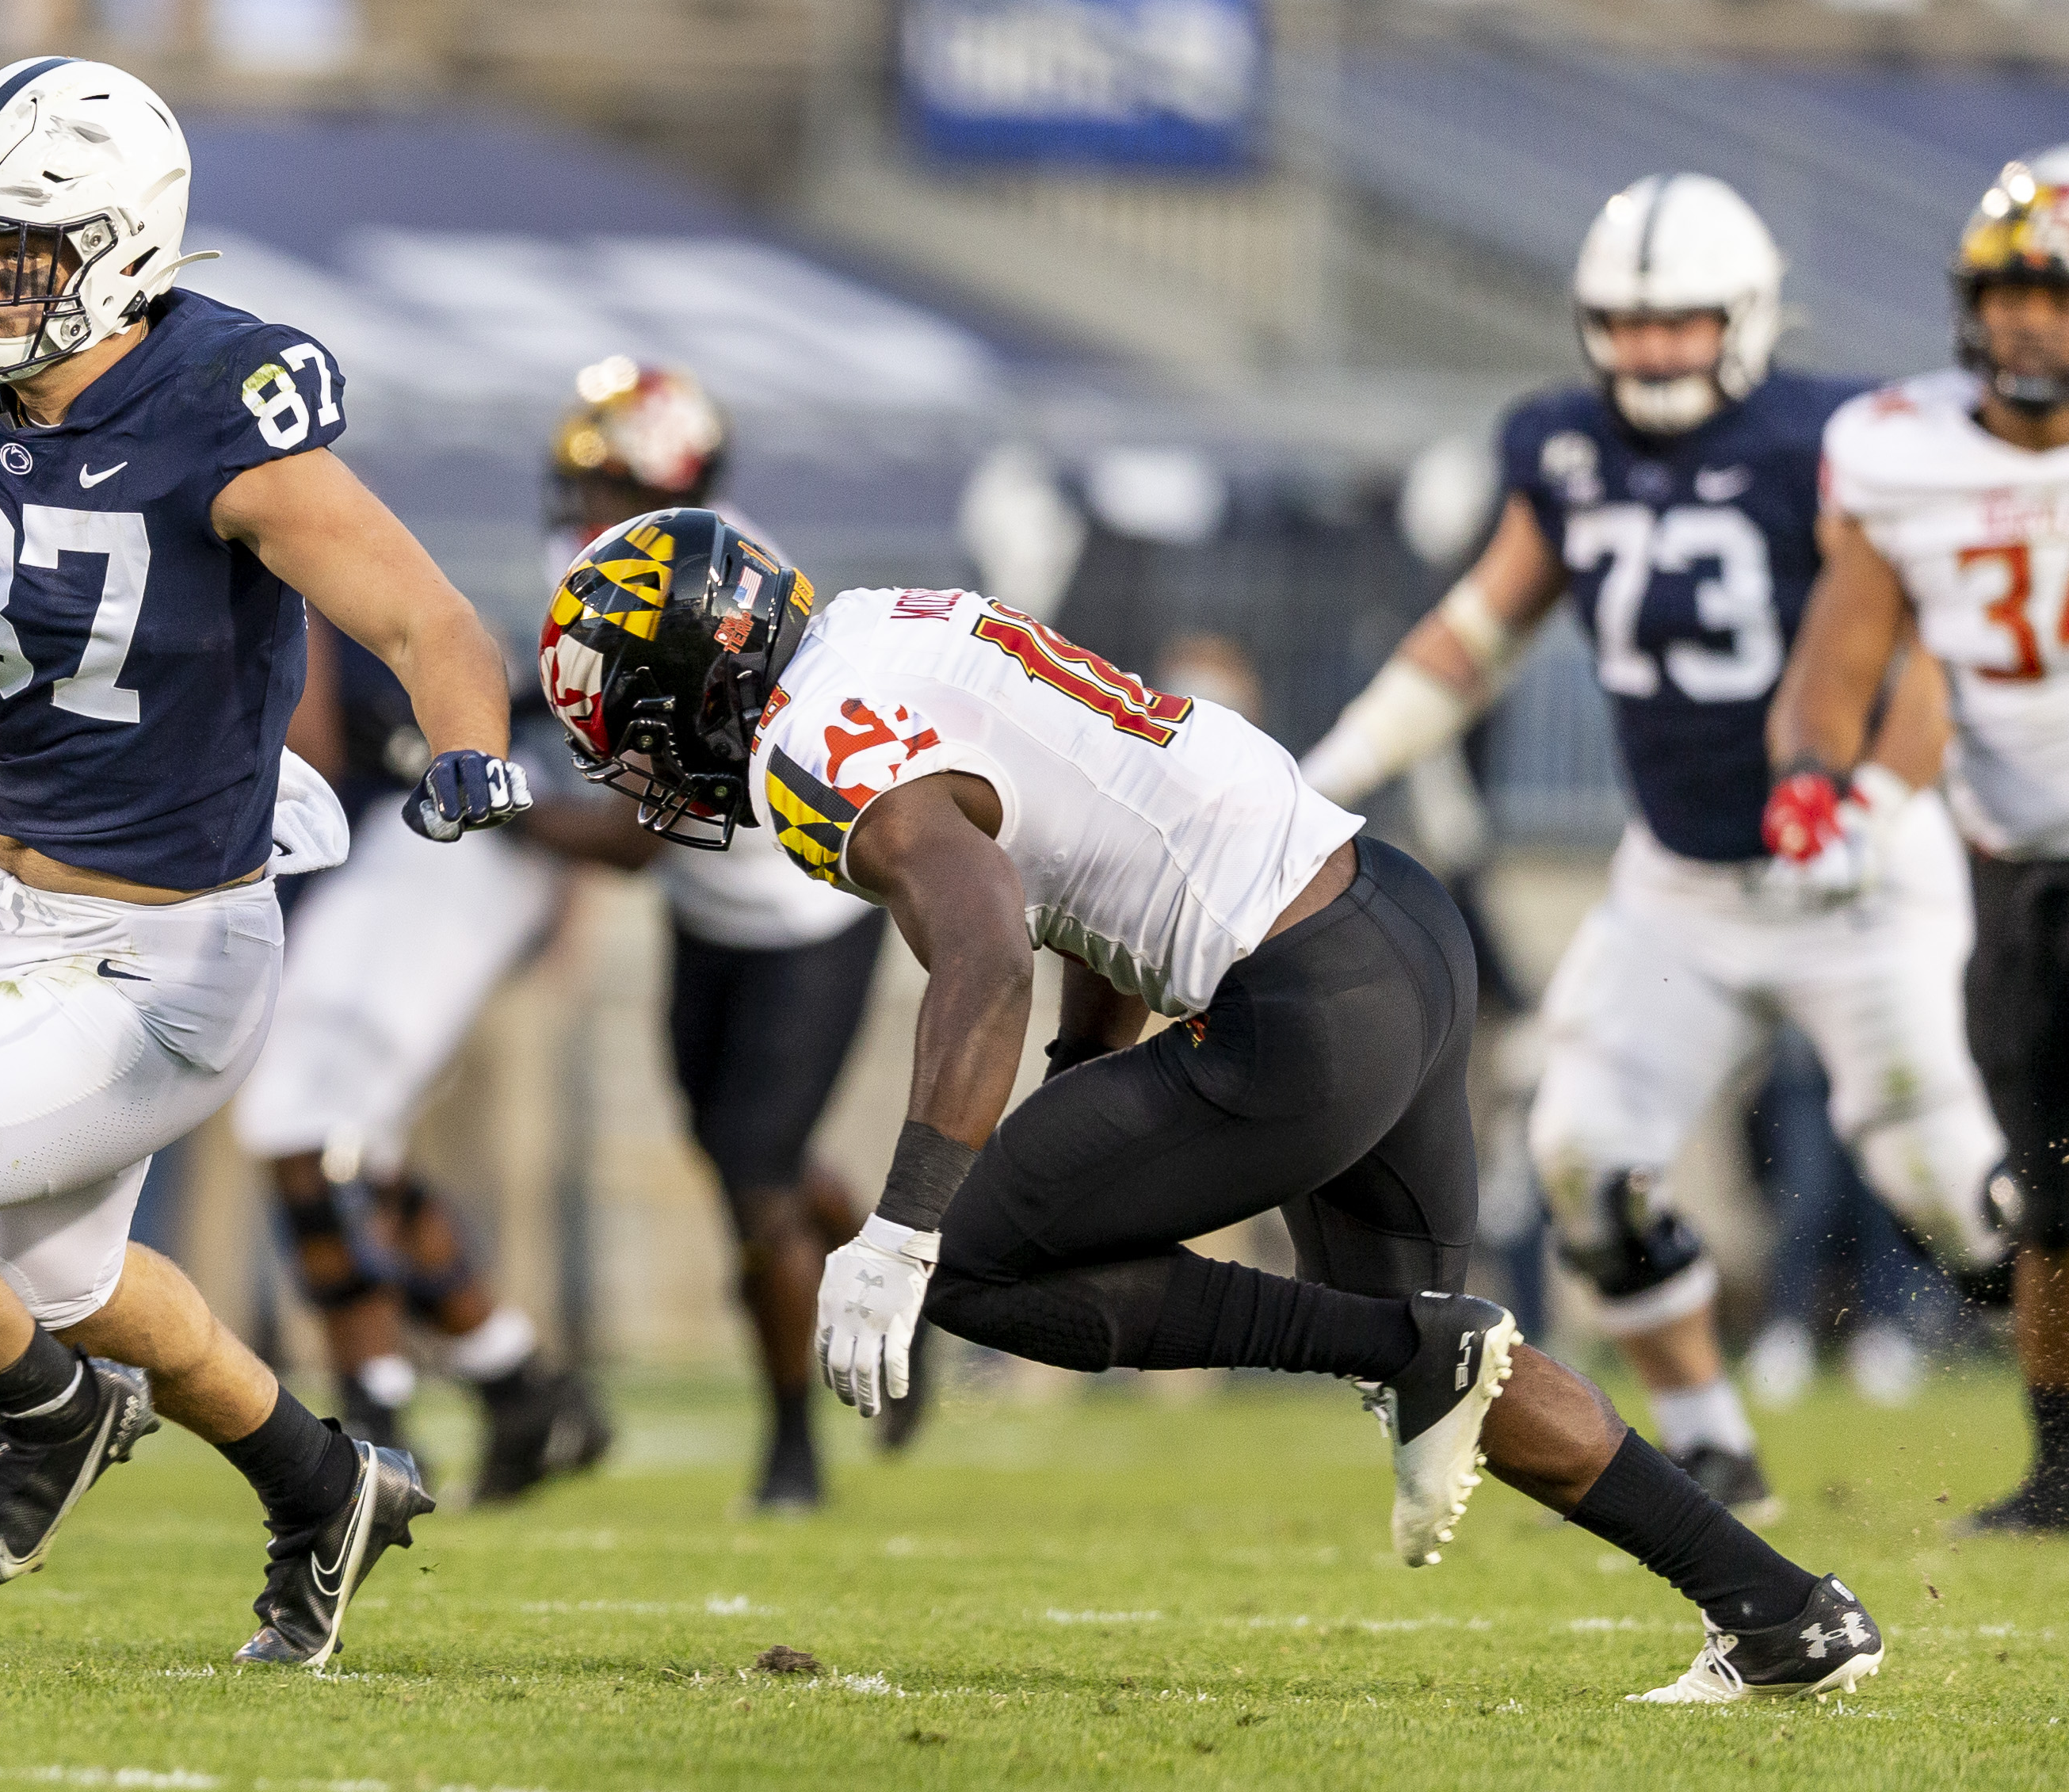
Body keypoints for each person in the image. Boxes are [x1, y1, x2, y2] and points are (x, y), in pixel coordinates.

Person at [541, 506, 1887, 1702]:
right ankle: (1782, 1610)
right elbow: (1070, 849)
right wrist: (1086, 1080)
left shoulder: (807, 753)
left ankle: (1393, 1351)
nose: (640, 773)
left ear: (704, 683)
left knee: (977, 1269)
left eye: (633, 732)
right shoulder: (895, 623)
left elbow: (990, 937)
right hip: (1392, 917)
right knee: (1450, 1357)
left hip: (1299, 1000)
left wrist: (899, 1228)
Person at [0, 58, 529, 1669]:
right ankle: (324, 1485)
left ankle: (52, 1417)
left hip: (161, 952)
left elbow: (425, 615)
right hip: (5, 889)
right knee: (71, 1273)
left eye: (10, 252)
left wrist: (467, 747)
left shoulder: (218, 409)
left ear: (120, 248)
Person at [1299, 174, 2007, 1519]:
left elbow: (1914, 656)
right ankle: (1715, 1447)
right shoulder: (1565, 447)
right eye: (1621, 326)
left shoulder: (1831, 440)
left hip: (1854, 876)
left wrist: (1880, 803)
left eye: (1678, 325)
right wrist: (1329, 770)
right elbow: (1477, 633)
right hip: (1679, 881)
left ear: (1746, 320)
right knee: (1581, 1158)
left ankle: (2057, 1429)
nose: (1647, 354)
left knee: (1951, 1198)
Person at [517, 357, 898, 1509]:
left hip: (800, 911)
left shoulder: (722, 594)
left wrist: (507, 817)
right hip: (707, 912)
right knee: (737, 1153)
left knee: (749, 1175)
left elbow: (639, 834)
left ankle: (793, 1444)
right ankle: (875, 1259)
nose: (580, 515)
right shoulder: (599, 566)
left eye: (604, 490)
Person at [1767, 148, 2069, 1535]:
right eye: (2006, 293)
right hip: (2016, 855)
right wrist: (1819, 780)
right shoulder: (1901, 450)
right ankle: (2064, 1470)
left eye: (2053, 295)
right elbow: (1845, 649)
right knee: (2045, 1182)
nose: (2024, 323)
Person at [230, 609, 609, 1504]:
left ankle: (379, 1414)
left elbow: (306, 742)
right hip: (435, 846)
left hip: (439, 845)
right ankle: (515, 1385)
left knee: (305, 1120)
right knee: (353, 1139)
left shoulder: (268, 529)